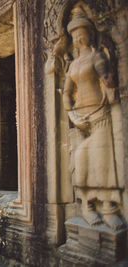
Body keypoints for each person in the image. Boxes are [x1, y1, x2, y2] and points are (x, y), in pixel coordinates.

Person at [63, 6, 123, 230]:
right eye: (74, 34)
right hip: (80, 117)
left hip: (99, 114)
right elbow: (67, 93)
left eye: (82, 32)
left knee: (103, 159)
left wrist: (109, 78)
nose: (78, 37)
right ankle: (87, 206)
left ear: (89, 33)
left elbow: (105, 76)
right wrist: (72, 114)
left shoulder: (97, 56)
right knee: (81, 159)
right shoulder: (73, 65)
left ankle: (108, 208)